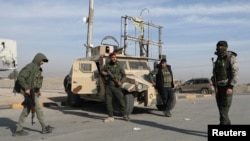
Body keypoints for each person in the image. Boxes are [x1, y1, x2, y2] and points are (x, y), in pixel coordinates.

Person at [12, 53, 54, 136]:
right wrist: (26, 88)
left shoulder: (37, 68)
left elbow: (35, 81)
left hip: (33, 92)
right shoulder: (30, 66)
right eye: (42, 60)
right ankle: (44, 127)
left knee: (26, 110)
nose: (43, 63)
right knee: (38, 109)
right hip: (29, 92)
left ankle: (18, 130)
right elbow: (20, 78)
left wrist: (38, 91)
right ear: (38, 59)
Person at [211, 40, 239, 125]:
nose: (220, 47)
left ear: (226, 47)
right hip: (218, 87)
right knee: (221, 110)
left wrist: (231, 86)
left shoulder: (230, 58)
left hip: (227, 87)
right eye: (218, 46)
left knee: (224, 110)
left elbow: (235, 73)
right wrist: (215, 86)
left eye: (222, 46)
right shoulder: (218, 59)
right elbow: (214, 74)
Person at [101, 52, 130, 122]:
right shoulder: (107, 66)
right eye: (112, 57)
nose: (114, 58)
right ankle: (110, 116)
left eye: (115, 57)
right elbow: (102, 71)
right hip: (108, 86)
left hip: (116, 86)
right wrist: (103, 73)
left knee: (121, 101)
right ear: (110, 58)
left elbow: (124, 75)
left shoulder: (119, 66)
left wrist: (121, 82)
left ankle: (124, 115)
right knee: (108, 101)